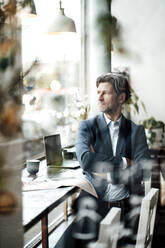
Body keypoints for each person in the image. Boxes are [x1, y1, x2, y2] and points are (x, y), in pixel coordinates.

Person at [74, 72, 151, 247]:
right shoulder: (87, 127)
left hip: (125, 208)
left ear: (121, 97)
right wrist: (124, 162)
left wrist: (108, 175)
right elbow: (86, 160)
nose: (99, 97)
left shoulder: (135, 131)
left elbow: (143, 170)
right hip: (92, 206)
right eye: (98, 92)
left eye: (105, 93)